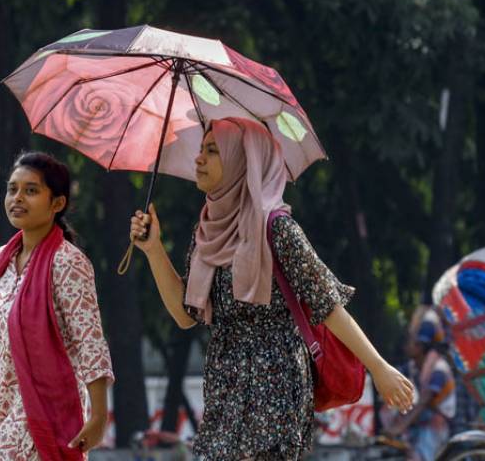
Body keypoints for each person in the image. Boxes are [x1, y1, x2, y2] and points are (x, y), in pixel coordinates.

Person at [128, 118, 414, 460]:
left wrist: (379, 367)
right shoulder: (207, 233)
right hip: (225, 389)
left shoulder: (278, 229)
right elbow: (185, 315)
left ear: (242, 161)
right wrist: (154, 250)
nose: (199, 159)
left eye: (213, 151)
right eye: (202, 149)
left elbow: (328, 306)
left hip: (274, 388)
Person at [0, 152, 114, 461]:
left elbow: (90, 342)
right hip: (0, 412)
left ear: (57, 203)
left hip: (44, 410)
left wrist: (99, 416)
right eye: (12, 189)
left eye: (31, 190)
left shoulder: (68, 262)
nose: (17, 198)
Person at [384, 320, 456, 461]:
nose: (405, 347)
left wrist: (400, 426)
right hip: (422, 423)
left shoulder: (438, 368)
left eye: (409, 343)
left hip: (437, 425)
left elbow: (424, 401)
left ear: (420, 347)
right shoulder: (416, 368)